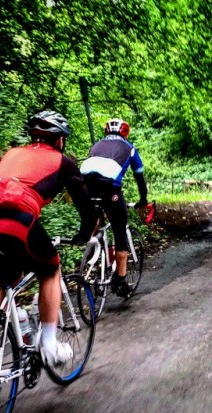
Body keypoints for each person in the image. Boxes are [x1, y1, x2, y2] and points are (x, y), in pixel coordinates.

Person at [0, 110, 96, 370]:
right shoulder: (63, 162)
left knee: (6, 277)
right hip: (15, 222)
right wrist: (86, 232)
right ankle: (48, 343)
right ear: (60, 140)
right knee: (50, 268)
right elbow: (85, 205)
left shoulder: (12, 153)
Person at [80, 118, 148, 298]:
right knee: (119, 230)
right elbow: (139, 178)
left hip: (85, 187)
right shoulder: (130, 148)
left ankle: (90, 253)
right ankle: (120, 280)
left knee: (95, 218)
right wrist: (143, 199)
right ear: (125, 133)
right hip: (110, 190)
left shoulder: (96, 146)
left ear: (106, 132)